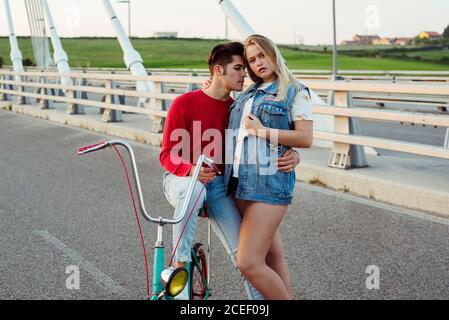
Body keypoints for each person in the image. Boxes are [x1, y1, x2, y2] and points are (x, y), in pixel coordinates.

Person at [159, 41, 301, 299]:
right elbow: (167, 155)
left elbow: (261, 139)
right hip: (182, 180)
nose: (244, 75)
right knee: (191, 193)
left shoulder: (238, 108)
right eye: (238, 68)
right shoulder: (184, 104)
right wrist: (191, 171)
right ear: (217, 70)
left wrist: (293, 153)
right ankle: (180, 264)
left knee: (248, 260)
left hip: (220, 187)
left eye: (244, 69)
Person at [223, 34, 314, 300]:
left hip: (270, 182)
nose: (258, 63)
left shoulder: (295, 91)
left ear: (273, 53)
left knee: (248, 262)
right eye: (251, 60)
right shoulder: (248, 92)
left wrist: (264, 131)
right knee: (273, 256)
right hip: (239, 182)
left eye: (262, 55)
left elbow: (304, 138)